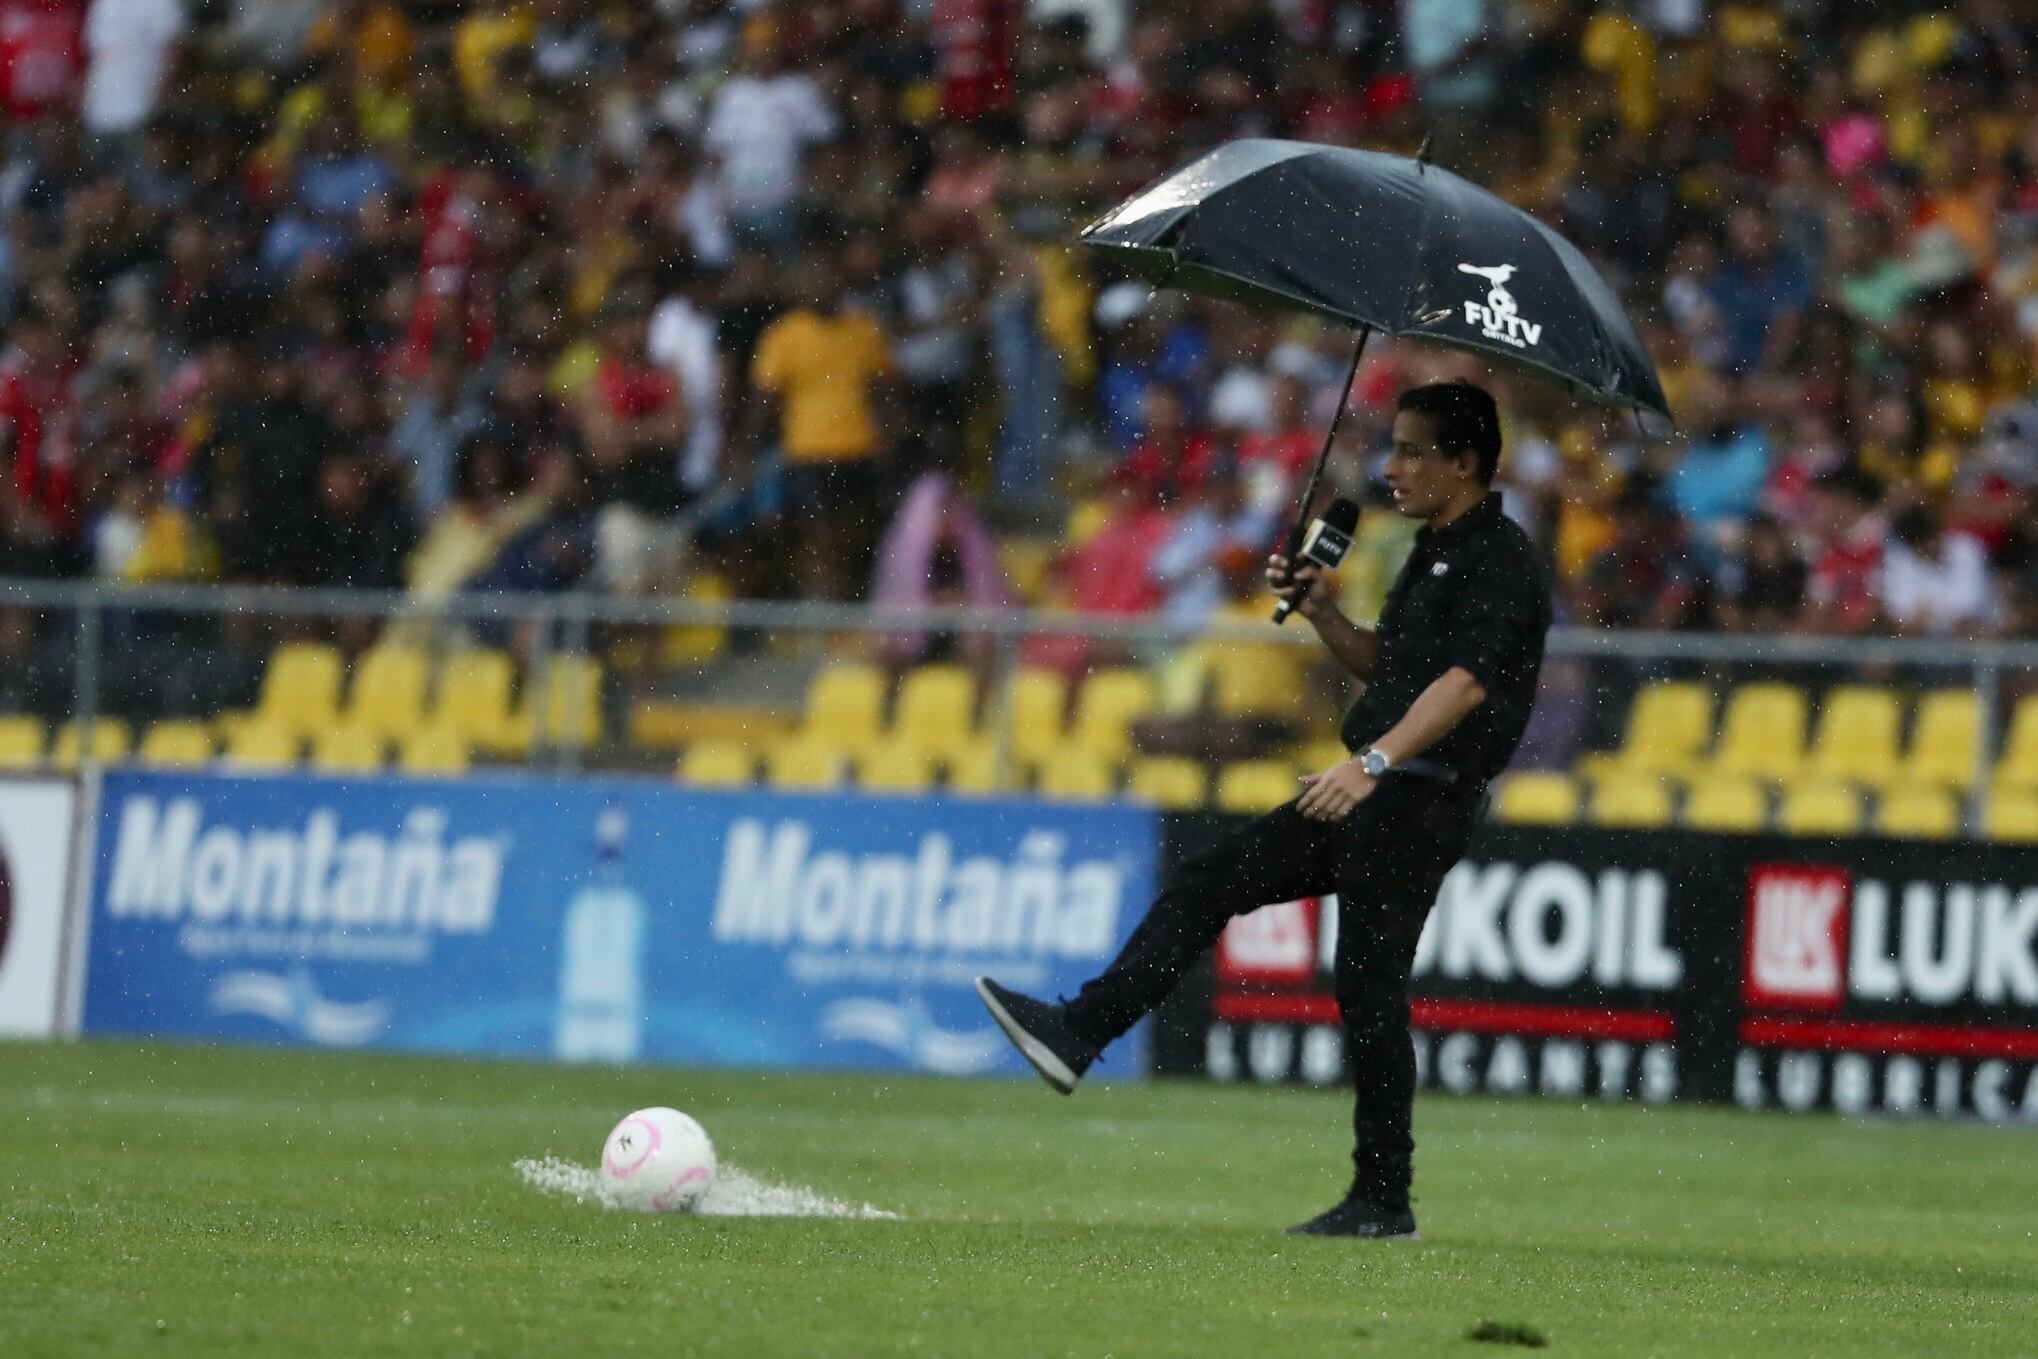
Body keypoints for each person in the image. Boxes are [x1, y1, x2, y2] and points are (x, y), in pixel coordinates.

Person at [976, 382, 1553, 1240]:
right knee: (1214, 881)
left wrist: (1374, 760)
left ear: (1464, 462)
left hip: (1416, 797)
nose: (1389, 467)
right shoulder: (1427, 551)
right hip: (1374, 784)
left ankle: (1384, 1198)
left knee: (1368, 985)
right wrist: (1323, 611)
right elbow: (1387, 666)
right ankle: (1079, 1030)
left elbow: (1465, 685)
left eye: (1410, 450)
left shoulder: (1502, 558)